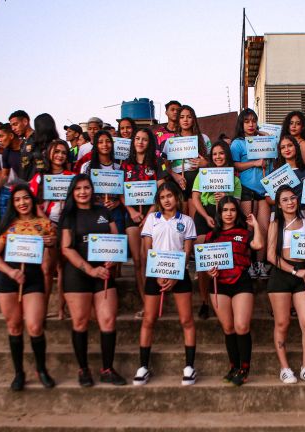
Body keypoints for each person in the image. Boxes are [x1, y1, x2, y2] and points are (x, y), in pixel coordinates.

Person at [58, 174, 126, 387]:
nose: (83, 192)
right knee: (80, 322)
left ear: (92, 189)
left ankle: (107, 368)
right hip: (78, 274)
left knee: (108, 320)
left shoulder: (103, 211)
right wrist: (89, 269)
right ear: (73, 191)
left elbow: (117, 239)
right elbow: (66, 248)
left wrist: (113, 259)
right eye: (78, 188)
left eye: (86, 187)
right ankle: (83, 369)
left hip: (104, 274)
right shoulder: (68, 215)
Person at [0, 184, 56, 391]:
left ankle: (41, 369)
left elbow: (51, 263)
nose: (22, 203)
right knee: (14, 326)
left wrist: (51, 245)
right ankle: (19, 372)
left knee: (35, 326)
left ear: (32, 200)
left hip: (33, 278)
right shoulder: (8, 225)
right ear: (12, 203)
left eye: (25, 198)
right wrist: (10, 272)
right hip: (9, 279)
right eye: (17, 200)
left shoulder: (45, 224)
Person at [134, 182, 197, 385]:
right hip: (155, 274)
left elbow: (187, 252)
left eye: (170, 196)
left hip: (179, 275)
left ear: (177, 198)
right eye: (162, 197)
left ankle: (189, 366)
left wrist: (174, 275)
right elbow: (146, 250)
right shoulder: (152, 219)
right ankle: (143, 366)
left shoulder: (187, 221)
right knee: (148, 320)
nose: (167, 200)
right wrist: (157, 274)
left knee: (186, 320)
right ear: (158, 201)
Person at [205, 197, 263, 386]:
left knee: (241, 327)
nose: (229, 214)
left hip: (241, 282)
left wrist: (255, 225)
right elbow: (205, 263)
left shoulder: (244, 233)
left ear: (237, 213)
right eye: (225, 210)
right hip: (218, 284)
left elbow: (259, 246)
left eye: (232, 210)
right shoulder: (210, 236)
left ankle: (244, 369)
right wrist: (208, 271)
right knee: (228, 328)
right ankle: (233, 366)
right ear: (219, 213)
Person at [266, 185, 305, 385]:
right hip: (282, 275)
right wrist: (295, 271)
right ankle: (285, 368)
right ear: (279, 204)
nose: (290, 202)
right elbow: (271, 256)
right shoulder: (275, 224)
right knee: (282, 323)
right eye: (285, 200)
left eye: (293, 198)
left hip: (303, 276)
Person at [121, 128, 168, 318]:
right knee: (138, 261)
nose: (140, 142)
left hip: (152, 216)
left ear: (150, 143)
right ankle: (145, 303)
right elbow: (120, 193)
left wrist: (149, 213)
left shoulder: (156, 163)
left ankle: (155, 301)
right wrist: (132, 211)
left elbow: (162, 191)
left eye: (145, 139)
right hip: (132, 216)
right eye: (137, 139)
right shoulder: (125, 165)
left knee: (149, 259)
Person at [192, 141, 242, 320]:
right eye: (214, 154)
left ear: (227, 156)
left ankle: (224, 298)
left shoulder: (235, 179)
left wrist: (226, 197)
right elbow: (195, 198)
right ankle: (205, 301)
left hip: (225, 216)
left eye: (221, 153)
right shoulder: (202, 175)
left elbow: (236, 205)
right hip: (206, 214)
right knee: (203, 255)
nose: (218, 157)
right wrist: (206, 216)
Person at [29, 140, 74, 318]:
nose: (60, 155)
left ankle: (61, 308)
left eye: (63, 152)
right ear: (49, 153)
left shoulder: (72, 176)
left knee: (63, 268)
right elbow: (33, 203)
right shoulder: (39, 177)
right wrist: (47, 226)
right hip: (46, 227)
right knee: (47, 268)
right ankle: (45, 308)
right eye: (56, 152)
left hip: (66, 226)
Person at [230, 108, 271, 279]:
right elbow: (235, 165)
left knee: (264, 228)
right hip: (247, 190)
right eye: (247, 121)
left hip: (265, 189)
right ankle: (247, 264)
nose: (251, 124)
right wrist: (254, 163)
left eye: (253, 120)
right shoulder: (237, 143)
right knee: (248, 229)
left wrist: (262, 133)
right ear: (241, 123)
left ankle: (260, 264)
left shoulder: (263, 140)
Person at [168, 105, 210, 217]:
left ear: (194, 119)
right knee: (180, 220)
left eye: (189, 117)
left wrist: (205, 163)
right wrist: (175, 176)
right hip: (178, 183)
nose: (185, 120)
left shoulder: (204, 138)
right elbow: (164, 165)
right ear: (178, 120)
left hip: (196, 182)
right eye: (182, 117)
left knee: (193, 220)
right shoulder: (171, 141)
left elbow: (215, 161)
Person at [271, 136, 305, 203]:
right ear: (280, 151)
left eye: (290, 145)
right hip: (281, 212)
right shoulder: (275, 173)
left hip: (303, 212)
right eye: (283, 147)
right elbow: (268, 199)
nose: (287, 149)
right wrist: (286, 202)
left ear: (296, 147)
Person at [0, 123, 22, 217]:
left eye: (1, 136)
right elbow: (4, 176)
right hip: (18, 191)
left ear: (11, 136)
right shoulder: (6, 152)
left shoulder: (27, 148)